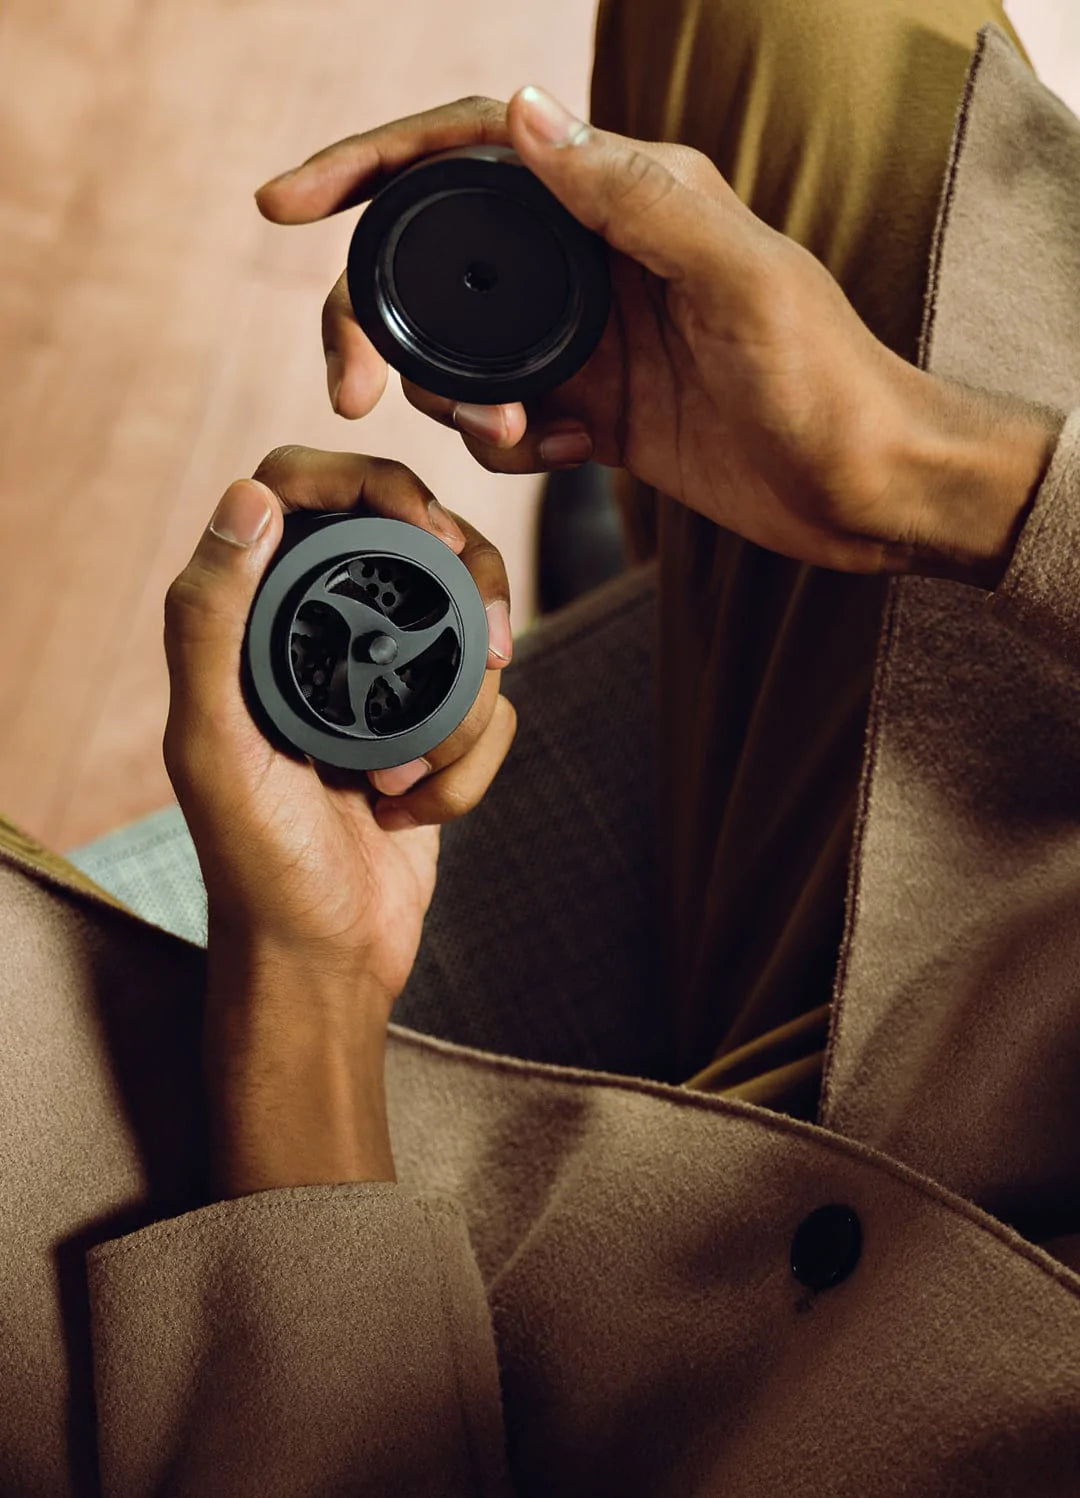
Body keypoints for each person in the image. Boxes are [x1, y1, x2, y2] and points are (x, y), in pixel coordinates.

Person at [1, 0, 1079, 1493]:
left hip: (633, 1370)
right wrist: (937, 472)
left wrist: (307, 999)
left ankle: (681, 600)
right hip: (1032, 913)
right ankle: (690, 555)